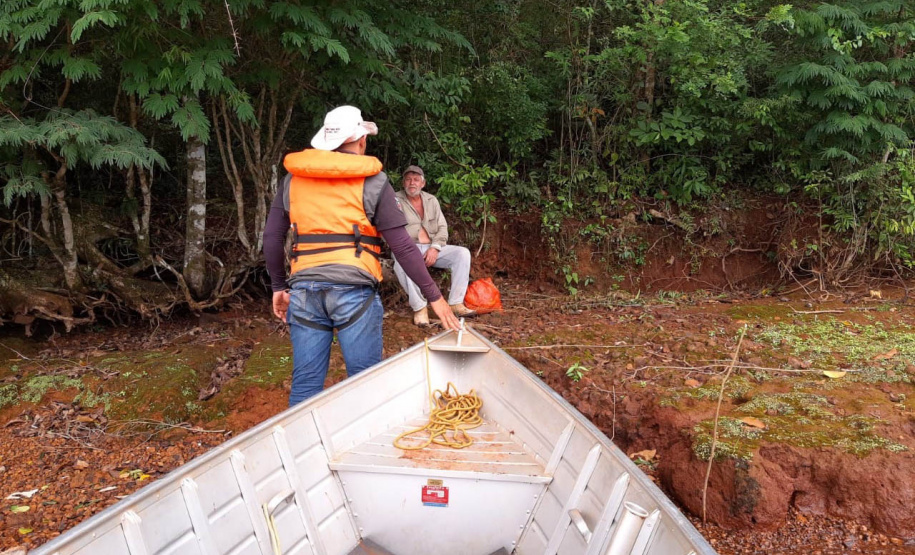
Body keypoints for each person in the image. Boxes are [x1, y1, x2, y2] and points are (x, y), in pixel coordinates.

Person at [263, 106, 460, 406]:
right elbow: (403, 246)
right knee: (366, 384)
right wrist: (435, 297)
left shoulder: (293, 180)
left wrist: (279, 286)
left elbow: (272, 237)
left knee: (305, 387)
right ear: (361, 141)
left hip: (304, 292)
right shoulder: (374, 181)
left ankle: (304, 449)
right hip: (353, 292)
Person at [393, 165, 476, 326]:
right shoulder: (395, 200)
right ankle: (420, 308)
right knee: (401, 261)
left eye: (416, 180)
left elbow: (443, 228)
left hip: (432, 247)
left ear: (422, 183)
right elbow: (393, 230)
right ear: (403, 183)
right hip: (408, 248)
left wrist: (435, 247)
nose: (412, 183)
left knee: (462, 253)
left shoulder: (431, 200)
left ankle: (456, 303)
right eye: (408, 179)